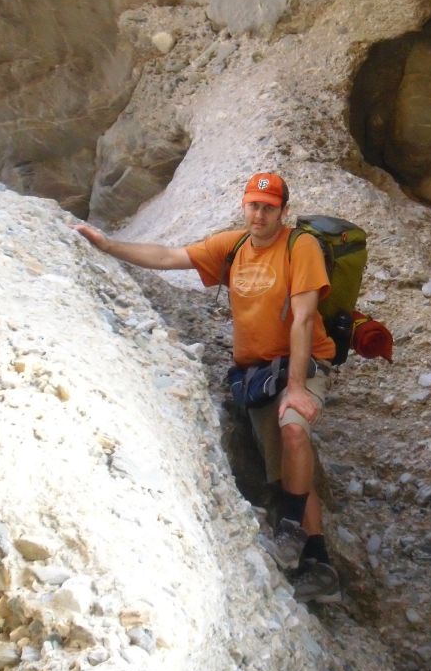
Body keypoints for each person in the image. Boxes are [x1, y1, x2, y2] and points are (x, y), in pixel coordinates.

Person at [75, 172, 341, 604]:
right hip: (256, 373)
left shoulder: (299, 247)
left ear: (283, 211)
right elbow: (167, 256)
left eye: (269, 207)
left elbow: (305, 318)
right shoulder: (232, 247)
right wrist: (107, 245)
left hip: (300, 364)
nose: (259, 214)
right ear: (244, 205)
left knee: (294, 428)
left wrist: (296, 387)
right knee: (285, 470)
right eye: (253, 205)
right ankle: (319, 564)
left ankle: (293, 534)